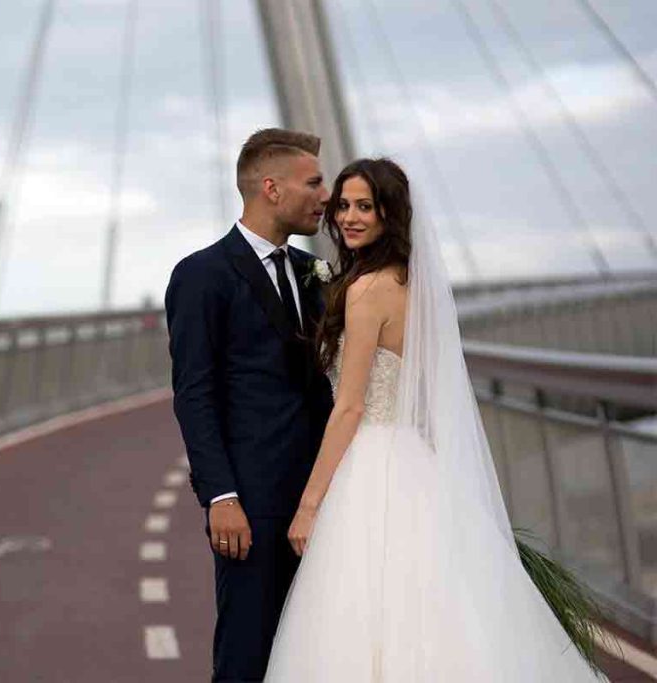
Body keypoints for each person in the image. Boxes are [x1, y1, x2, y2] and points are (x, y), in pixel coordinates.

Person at [264, 158, 601, 681]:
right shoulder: (409, 283)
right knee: (439, 611)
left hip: (370, 467)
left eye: (365, 207)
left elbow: (350, 406)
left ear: (389, 214)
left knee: (363, 615)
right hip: (414, 461)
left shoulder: (366, 289)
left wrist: (309, 506)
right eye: (345, 205)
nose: (350, 217)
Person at [165, 128, 335, 681]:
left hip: (325, 498)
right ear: (271, 188)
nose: (325, 195)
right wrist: (221, 496)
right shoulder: (202, 275)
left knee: (317, 651)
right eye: (313, 182)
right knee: (247, 655)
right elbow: (194, 394)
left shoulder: (313, 273)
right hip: (252, 503)